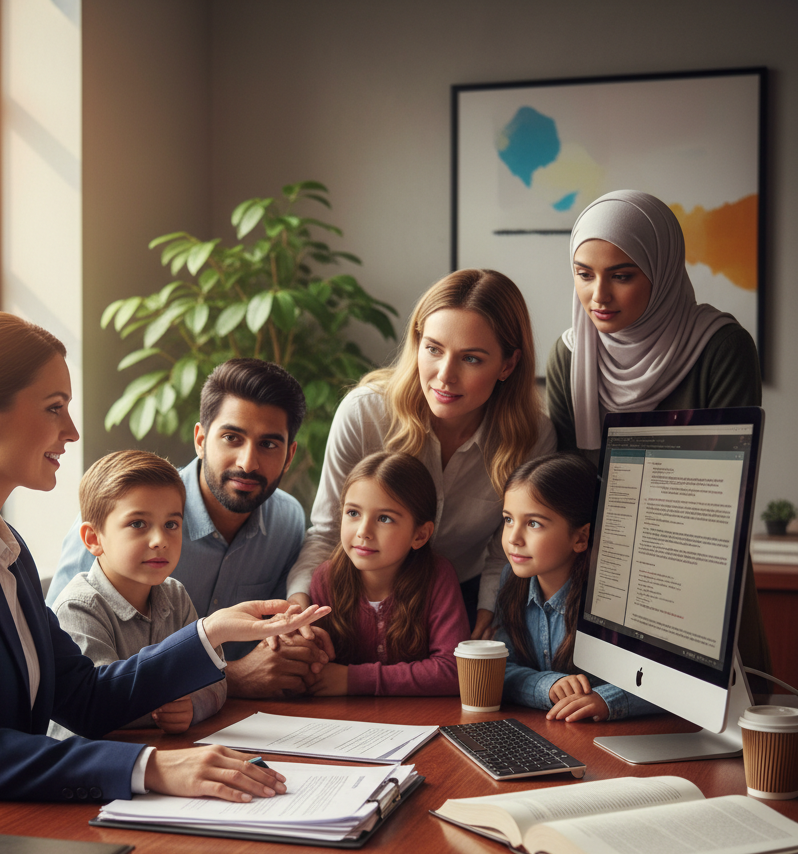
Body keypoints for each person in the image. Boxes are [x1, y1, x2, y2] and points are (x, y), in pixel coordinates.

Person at [0, 312, 329, 841]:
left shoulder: (3, 545)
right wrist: (149, 768)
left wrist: (210, 633)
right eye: (55, 408)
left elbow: (84, 696)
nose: (72, 431)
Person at [545, 188, 770, 679]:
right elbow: (566, 486)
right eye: (584, 275)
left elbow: (720, 492)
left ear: (662, 271)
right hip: (598, 578)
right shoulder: (569, 355)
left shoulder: (722, 347)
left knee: (717, 732)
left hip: (697, 573)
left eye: (622, 276)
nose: (598, 296)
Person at [287, 269, 556, 638]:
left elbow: (504, 552)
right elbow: (328, 532)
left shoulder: (533, 437)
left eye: (472, 359)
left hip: (465, 598)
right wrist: (298, 609)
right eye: (433, 349)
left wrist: (490, 611)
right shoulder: (365, 414)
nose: (444, 376)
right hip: (361, 600)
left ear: (507, 365)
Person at [47, 358, 329, 698]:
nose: (248, 462)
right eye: (231, 437)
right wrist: (232, 678)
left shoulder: (288, 520)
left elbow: (273, 638)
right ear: (200, 439)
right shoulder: (115, 522)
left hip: (232, 724)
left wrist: (303, 646)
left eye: (269, 444)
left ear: (290, 455)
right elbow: (60, 671)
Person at [48, 450, 225, 738]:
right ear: (93, 539)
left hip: (161, 755)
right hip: (92, 769)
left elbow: (217, 680)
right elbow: (100, 705)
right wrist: (163, 707)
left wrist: (193, 705)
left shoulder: (176, 596)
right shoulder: (78, 607)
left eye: (171, 524)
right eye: (138, 524)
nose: (159, 540)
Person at [495, 452, 661, 722]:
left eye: (533, 523)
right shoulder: (511, 581)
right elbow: (498, 668)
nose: (513, 538)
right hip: (548, 731)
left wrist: (605, 699)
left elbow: (665, 680)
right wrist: (547, 685)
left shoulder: (616, 595)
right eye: (508, 519)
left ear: (581, 537)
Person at [304, 452, 469, 696]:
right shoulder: (325, 580)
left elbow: (455, 671)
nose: (363, 531)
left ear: (420, 535)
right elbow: (312, 666)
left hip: (421, 720)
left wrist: (353, 679)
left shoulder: (437, 577)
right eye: (353, 513)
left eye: (384, 518)